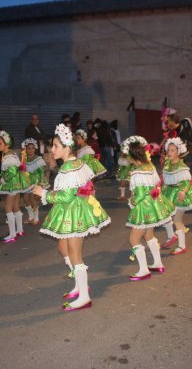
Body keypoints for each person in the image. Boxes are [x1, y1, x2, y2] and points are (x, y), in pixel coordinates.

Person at [32, 124, 110, 311]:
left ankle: (84, 296)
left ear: (66, 147)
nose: (52, 149)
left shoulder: (69, 168)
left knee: (76, 255)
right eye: (52, 146)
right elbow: (85, 186)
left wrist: (44, 194)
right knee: (62, 246)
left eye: (55, 146)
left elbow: (65, 196)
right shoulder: (75, 164)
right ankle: (78, 284)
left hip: (74, 213)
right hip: (73, 210)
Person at [123, 136, 175, 280]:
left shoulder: (136, 173)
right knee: (148, 235)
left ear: (133, 156)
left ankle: (144, 270)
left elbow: (138, 196)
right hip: (153, 205)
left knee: (134, 239)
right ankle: (158, 263)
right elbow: (157, 183)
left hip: (143, 208)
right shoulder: (150, 166)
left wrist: (132, 201)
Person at [160, 138, 192, 255]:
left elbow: (187, 182)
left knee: (177, 220)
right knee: (165, 215)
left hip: (179, 195)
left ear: (178, 152)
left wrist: (183, 192)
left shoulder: (182, 166)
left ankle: (182, 246)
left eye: (172, 150)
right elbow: (164, 179)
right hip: (169, 193)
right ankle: (171, 237)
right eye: (168, 150)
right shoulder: (168, 164)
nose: (169, 153)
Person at [0, 131, 32, 243]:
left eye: (0, 143)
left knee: (8, 208)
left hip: (12, 184)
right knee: (15, 206)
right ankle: (19, 230)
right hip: (16, 184)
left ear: (7, 144)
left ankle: (12, 234)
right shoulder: (11, 153)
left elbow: (11, 172)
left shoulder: (8, 156)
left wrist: (0, 181)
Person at [21, 138, 47, 225]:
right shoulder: (24, 159)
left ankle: (36, 218)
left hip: (36, 181)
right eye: (29, 148)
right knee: (25, 199)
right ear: (26, 149)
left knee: (32, 198)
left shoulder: (38, 159)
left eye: (33, 148)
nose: (31, 150)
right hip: (27, 181)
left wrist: (40, 184)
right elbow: (22, 171)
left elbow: (42, 172)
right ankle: (30, 217)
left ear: (35, 148)